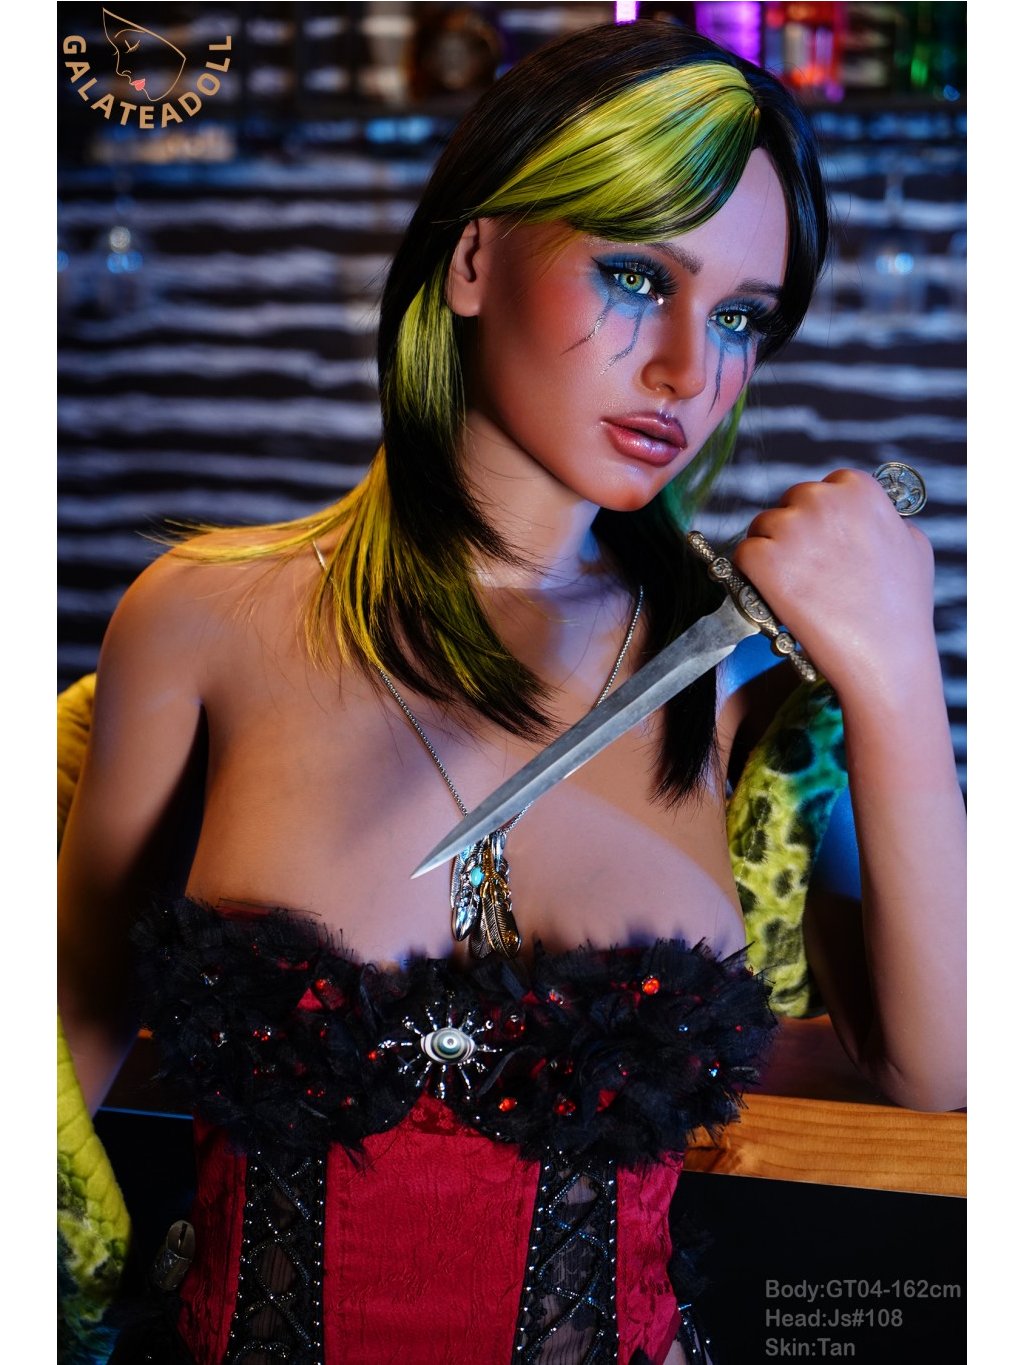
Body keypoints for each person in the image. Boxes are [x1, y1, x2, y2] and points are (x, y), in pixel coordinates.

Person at [57, 19, 966, 1365]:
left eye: (738, 318)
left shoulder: (750, 685)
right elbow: (57, 1072)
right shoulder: (201, 621)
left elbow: (939, 1073)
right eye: (634, 276)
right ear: (474, 260)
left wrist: (896, 670)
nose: (689, 371)